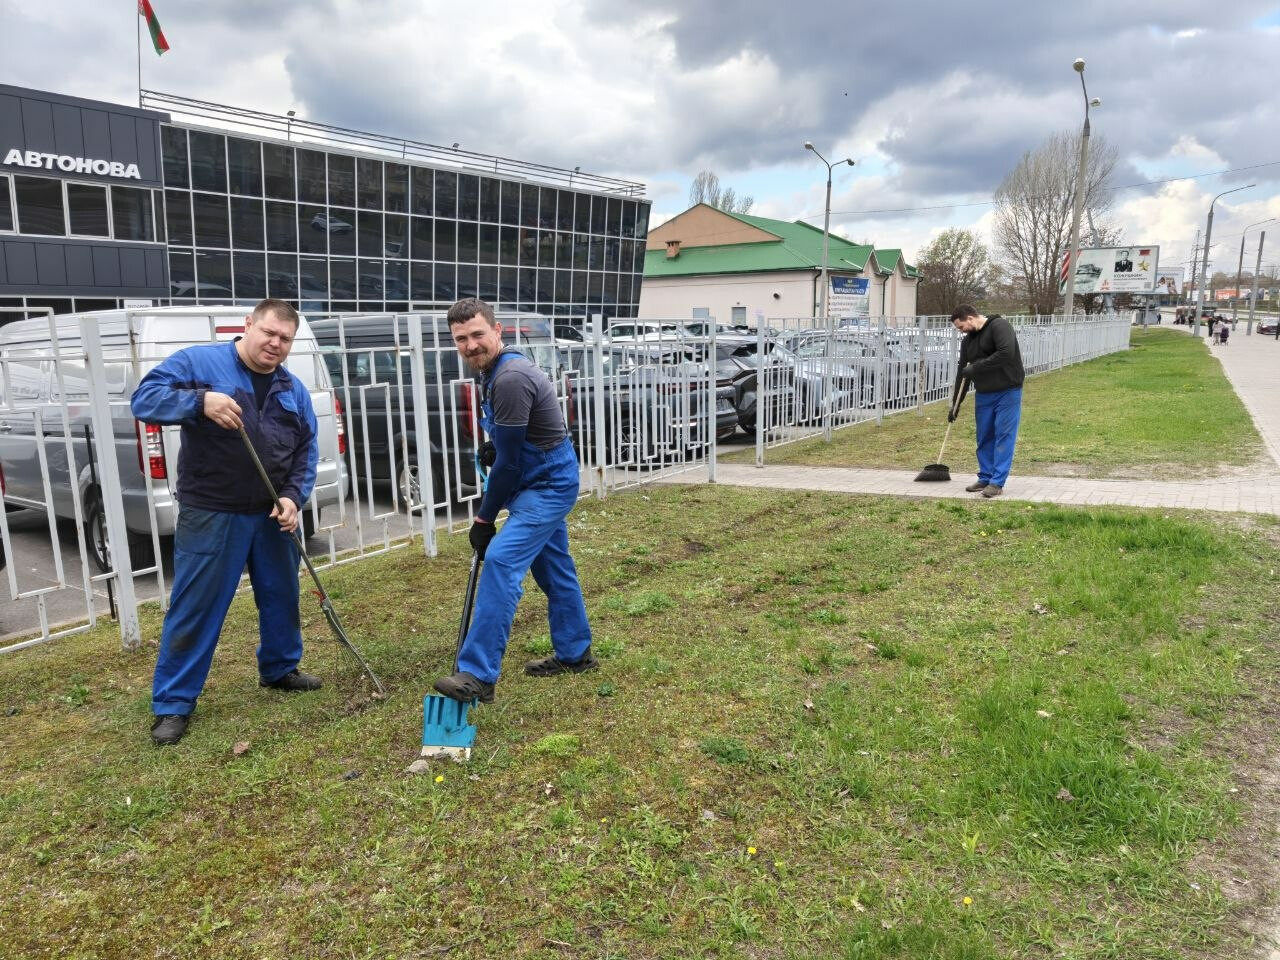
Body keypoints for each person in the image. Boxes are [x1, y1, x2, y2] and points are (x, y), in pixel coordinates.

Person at [131, 299, 322, 746]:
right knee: (196, 605)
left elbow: (305, 449)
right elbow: (144, 399)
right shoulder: (199, 363)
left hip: (271, 514)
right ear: (248, 325)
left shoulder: (292, 389)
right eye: (269, 332)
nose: (275, 344)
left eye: (285, 339)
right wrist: (200, 402)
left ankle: (280, 668)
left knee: (281, 595)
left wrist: (293, 497)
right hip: (212, 511)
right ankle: (174, 703)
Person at [433, 298, 594, 704]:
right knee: (554, 567)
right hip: (536, 478)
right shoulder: (493, 371)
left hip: (548, 484)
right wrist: (498, 446)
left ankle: (477, 675)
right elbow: (512, 444)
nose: (470, 345)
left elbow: (507, 466)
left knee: (502, 561)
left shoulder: (510, 377)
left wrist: (484, 519)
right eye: (461, 339)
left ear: (497, 330)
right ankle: (575, 653)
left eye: (477, 334)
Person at [949, 305, 1026, 499]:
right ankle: (985, 477)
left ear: (970, 318)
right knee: (984, 436)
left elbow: (1005, 353)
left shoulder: (999, 326)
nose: (961, 331)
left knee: (1003, 435)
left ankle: (997, 482)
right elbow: (963, 373)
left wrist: (976, 368)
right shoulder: (968, 342)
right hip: (984, 394)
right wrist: (956, 404)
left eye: (961, 327)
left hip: (1008, 391)